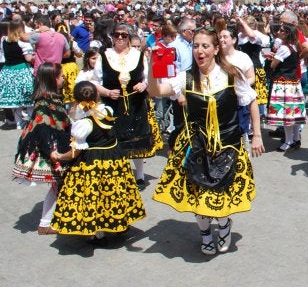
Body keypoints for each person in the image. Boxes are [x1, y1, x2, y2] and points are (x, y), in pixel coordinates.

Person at [148, 27, 264, 256]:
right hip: (196, 145)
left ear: (216, 49)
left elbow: (251, 102)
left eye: (205, 46)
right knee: (198, 196)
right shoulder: (187, 76)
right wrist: (152, 67)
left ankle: (223, 226)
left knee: (220, 196)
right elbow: (156, 90)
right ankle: (205, 235)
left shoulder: (232, 74)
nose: (199, 51)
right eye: (196, 46)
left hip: (227, 144)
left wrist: (257, 135)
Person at [50, 81, 146, 246]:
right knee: (115, 191)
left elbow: (75, 152)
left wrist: (59, 156)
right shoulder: (107, 110)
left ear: (76, 99)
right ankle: (120, 223)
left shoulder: (83, 123)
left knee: (94, 197)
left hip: (93, 162)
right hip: (114, 158)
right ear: (96, 95)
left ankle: (98, 235)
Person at [93, 22, 163, 191]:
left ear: (129, 38)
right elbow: (95, 82)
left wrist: (143, 85)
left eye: (124, 35)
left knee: (136, 139)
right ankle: (120, 173)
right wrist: (107, 92)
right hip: (112, 103)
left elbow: (149, 78)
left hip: (135, 103)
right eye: (116, 34)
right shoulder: (104, 56)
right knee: (115, 139)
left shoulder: (138, 55)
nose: (119, 38)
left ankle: (139, 175)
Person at [12, 62, 71, 235]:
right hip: (50, 149)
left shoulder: (51, 99)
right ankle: (45, 223)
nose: (63, 79)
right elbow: (43, 129)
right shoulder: (44, 102)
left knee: (57, 184)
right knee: (56, 184)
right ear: (53, 79)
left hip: (54, 146)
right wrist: (52, 152)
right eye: (60, 76)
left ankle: (51, 219)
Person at [267, 23, 306, 151]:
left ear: (287, 33)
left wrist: (271, 58)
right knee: (293, 113)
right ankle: (296, 139)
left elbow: (273, 65)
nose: (279, 31)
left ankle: (289, 141)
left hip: (284, 83)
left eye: (282, 30)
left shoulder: (284, 48)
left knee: (286, 113)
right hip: (293, 82)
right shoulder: (295, 46)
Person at [219, 25, 255, 136]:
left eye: (225, 37)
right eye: (220, 37)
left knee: (240, 134)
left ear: (234, 40)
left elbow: (251, 77)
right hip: (220, 102)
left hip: (239, 102)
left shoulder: (242, 57)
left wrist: (238, 86)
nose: (221, 40)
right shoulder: (215, 57)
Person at [0, 21, 34, 129]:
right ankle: (30, 120)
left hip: (8, 71)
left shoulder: (3, 40)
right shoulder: (22, 42)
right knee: (29, 97)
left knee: (15, 100)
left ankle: (18, 122)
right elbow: (28, 58)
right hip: (21, 70)